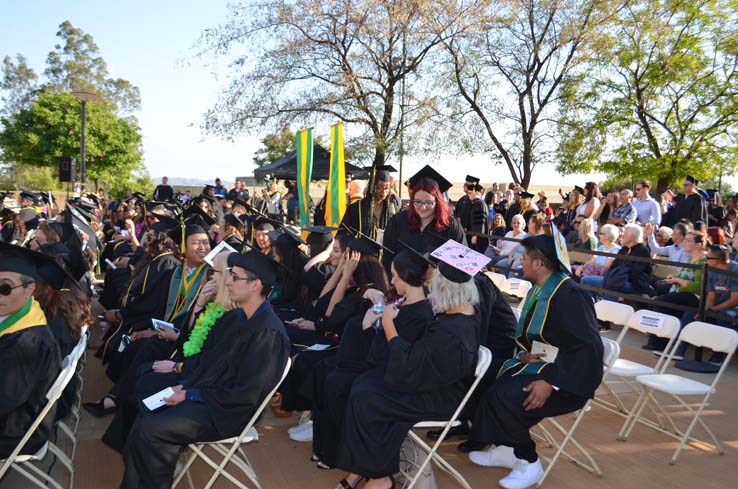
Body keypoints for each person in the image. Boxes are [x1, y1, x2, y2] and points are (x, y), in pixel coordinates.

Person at [119, 250, 290, 489]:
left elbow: (245, 393)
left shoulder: (268, 334)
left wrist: (190, 394)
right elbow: (212, 363)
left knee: (151, 428)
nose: (227, 282)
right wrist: (186, 384)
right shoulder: (238, 318)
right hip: (211, 393)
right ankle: (151, 468)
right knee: (147, 397)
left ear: (256, 285)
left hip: (229, 412)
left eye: (235, 277)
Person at [468, 234, 604, 489]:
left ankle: (528, 460)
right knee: (483, 378)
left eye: (525, 258)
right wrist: (523, 355)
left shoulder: (568, 296)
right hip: (544, 364)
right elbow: (539, 340)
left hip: (570, 381)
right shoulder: (540, 289)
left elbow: (589, 350)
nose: (521, 261)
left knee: (504, 394)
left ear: (539, 263)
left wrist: (551, 383)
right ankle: (507, 448)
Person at [333, 260, 480, 489]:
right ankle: (365, 469)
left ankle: (379, 477)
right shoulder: (460, 314)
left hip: (443, 398)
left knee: (369, 397)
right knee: (365, 384)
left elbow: (410, 364)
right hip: (432, 382)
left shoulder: (453, 332)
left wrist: (388, 323)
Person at [311, 250, 435, 472]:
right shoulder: (399, 299)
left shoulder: (421, 314)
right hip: (368, 359)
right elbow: (376, 313)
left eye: (395, 274)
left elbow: (391, 353)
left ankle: (339, 453)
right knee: (323, 371)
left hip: (383, 370)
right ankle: (326, 448)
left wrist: (373, 325)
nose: (392, 279)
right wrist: (376, 305)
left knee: (336, 382)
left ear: (406, 276)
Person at [0, 243, 62, 458]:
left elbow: (4, 400)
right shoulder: (23, 314)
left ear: (30, 289)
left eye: (5, 288)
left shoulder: (28, 342)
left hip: (15, 430)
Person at [382, 165, 465, 275]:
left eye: (429, 203)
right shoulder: (398, 221)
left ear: (438, 202)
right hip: (402, 286)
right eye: (417, 202)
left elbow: (461, 261)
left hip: (438, 287)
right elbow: (387, 258)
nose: (423, 207)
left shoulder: (450, 225)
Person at [643, 230, 707, 351]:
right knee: (655, 301)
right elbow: (683, 278)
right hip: (682, 293)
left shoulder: (703, 261)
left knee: (659, 302)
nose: (685, 243)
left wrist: (678, 281)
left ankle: (660, 342)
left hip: (694, 296)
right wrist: (674, 279)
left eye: (688, 241)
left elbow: (700, 286)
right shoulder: (689, 259)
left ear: (698, 245)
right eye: (685, 240)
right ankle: (656, 340)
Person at [341, 165, 400, 242]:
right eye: (379, 187)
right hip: (362, 252)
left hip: (386, 252)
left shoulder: (392, 208)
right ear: (372, 186)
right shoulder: (355, 209)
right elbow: (343, 234)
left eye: (386, 188)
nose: (383, 191)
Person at [460, 178, 489, 253]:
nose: (468, 195)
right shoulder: (474, 203)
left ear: (476, 193)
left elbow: (480, 222)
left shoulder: (480, 204)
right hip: (470, 234)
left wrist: (476, 235)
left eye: (470, 193)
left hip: (477, 237)